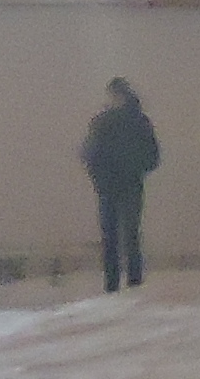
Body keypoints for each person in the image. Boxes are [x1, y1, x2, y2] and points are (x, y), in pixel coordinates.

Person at [81, 76, 160, 290]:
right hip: (128, 185)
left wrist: (99, 176)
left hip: (110, 187)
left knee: (113, 237)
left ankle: (113, 285)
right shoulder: (139, 121)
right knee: (129, 235)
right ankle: (132, 282)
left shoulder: (102, 122)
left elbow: (89, 153)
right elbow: (153, 156)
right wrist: (135, 169)